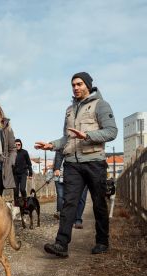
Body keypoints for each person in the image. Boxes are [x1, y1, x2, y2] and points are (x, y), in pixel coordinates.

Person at [35, 72, 117, 257]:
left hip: (94, 161)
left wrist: (87, 136)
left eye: (79, 84)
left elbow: (111, 132)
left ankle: (102, 242)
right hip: (72, 163)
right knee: (68, 203)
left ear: (87, 84)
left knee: (98, 203)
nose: (76, 87)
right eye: (73, 84)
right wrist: (52, 145)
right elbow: (67, 137)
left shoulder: (101, 105)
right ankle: (61, 244)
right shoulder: (69, 110)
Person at [52, 150, 88, 229]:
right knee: (67, 199)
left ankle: (78, 220)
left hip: (85, 173)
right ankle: (66, 218)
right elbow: (56, 162)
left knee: (81, 198)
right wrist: (56, 169)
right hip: (67, 177)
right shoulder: (63, 145)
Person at [13, 138, 33, 204]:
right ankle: (16, 204)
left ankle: (25, 202)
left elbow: (29, 164)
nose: (17, 146)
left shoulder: (24, 152)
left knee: (22, 189)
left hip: (23, 174)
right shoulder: (12, 153)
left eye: (19, 144)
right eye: (16, 144)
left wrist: (30, 174)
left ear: (21, 145)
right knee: (15, 191)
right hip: (15, 174)